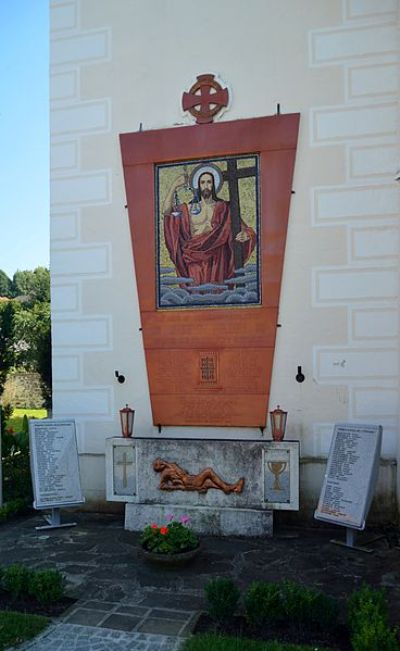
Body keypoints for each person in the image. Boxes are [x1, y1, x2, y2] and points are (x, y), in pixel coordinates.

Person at [162, 164, 256, 286]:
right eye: (203, 182)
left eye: (209, 182)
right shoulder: (188, 209)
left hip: (218, 261)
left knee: (218, 293)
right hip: (194, 262)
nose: (206, 186)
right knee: (196, 295)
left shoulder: (223, 208)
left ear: (214, 184)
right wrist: (174, 186)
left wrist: (247, 234)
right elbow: (166, 212)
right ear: (198, 185)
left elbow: (245, 228)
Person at [153, 458, 245, 494]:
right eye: (157, 464)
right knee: (208, 471)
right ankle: (227, 488)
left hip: (192, 479)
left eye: (158, 462)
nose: (159, 462)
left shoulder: (171, 465)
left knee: (211, 483)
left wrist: (166, 463)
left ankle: (234, 488)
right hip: (189, 482)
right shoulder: (165, 472)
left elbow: (176, 468)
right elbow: (161, 486)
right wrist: (178, 487)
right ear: (159, 468)